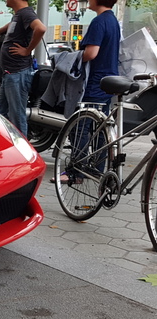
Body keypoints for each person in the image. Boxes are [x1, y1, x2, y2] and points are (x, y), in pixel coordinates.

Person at [56, 0, 120, 184]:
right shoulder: (112, 20)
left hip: (94, 82)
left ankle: (77, 172)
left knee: (81, 126)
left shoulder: (99, 21)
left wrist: (72, 57)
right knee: (101, 128)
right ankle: (97, 170)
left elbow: (91, 53)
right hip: (108, 81)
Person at [0, 0, 46, 137]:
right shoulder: (20, 15)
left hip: (17, 74)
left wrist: (27, 50)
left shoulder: (26, 13)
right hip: (10, 74)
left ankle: (23, 154)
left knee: (17, 117)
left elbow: (41, 28)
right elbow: (14, 24)